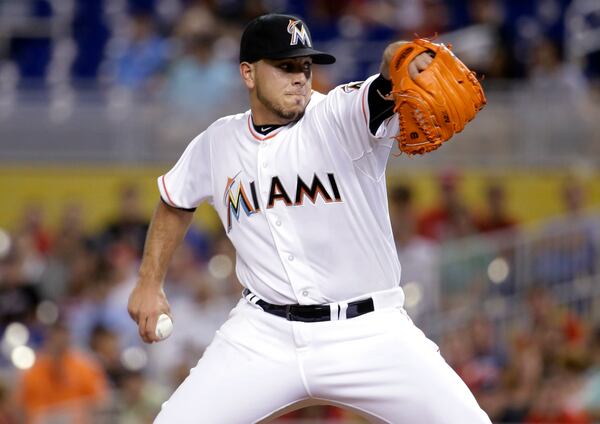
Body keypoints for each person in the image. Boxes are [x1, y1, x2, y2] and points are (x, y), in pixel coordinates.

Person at [128, 13, 491, 423]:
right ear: (248, 73)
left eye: (304, 65)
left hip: (369, 331)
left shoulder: (337, 116)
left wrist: (400, 57)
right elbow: (175, 201)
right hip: (264, 334)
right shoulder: (217, 143)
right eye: (285, 67)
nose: (300, 76)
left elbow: (386, 77)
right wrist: (148, 282)